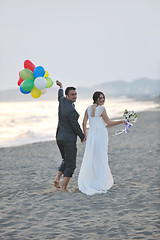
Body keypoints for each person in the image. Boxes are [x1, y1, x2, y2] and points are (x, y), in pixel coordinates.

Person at [78, 91, 124, 195]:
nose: (102, 100)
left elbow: (84, 123)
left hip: (91, 134)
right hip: (101, 134)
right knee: (101, 157)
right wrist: (122, 121)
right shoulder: (102, 109)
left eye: (103, 98)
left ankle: (92, 180)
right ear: (95, 99)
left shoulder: (88, 108)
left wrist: (85, 135)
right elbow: (109, 123)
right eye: (100, 98)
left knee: (93, 157)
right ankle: (101, 182)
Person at [54, 80, 85, 192]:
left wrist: (61, 86)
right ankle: (64, 188)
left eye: (76, 94)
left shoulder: (62, 101)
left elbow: (59, 95)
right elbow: (75, 126)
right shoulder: (71, 110)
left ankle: (57, 179)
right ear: (67, 95)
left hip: (59, 138)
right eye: (72, 95)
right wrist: (82, 136)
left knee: (65, 159)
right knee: (71, 165)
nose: (75, 96)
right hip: (68, 140)